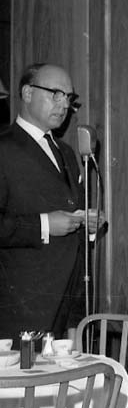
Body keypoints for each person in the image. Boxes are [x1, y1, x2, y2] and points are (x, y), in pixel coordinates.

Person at [0, 63, 102, 338]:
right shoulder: (4, 147)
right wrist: (44, 224)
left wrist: (87, 223)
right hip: (18, 312)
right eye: (55, 94)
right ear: (27, 93)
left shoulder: (66, 153)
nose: (64, 105)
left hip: (65, 310)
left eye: (68, 98)